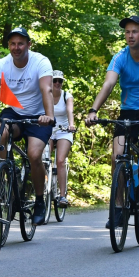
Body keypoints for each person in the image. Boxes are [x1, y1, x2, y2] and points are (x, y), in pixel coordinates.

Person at [85, 15, 139, 206]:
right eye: (127, 32)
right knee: (117, 157)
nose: (130, 35)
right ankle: (118, 205)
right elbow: (108, 84)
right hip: (128, 111)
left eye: (135, 31)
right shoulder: (120, 57)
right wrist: (93, 110)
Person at [0, 27, 54, 226]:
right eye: (12, 44)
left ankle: (40, 201)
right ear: (8, 45)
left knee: (34, 155)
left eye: (20, 43)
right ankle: (5, 172)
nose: (16, 48)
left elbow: (47, 88)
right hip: (15, 112)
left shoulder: (40, 62)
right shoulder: (3, 64)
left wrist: (49, 115)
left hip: (39, 115)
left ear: (28, 45)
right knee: (1, 134)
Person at [49, 70, 76, 207]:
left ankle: (62, 196)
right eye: (55, 80)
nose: (57, 83)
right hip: (48, 129)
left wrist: (71, 124)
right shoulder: (45, 94)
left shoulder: (67, 95)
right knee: (43, 159)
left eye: (60, 81)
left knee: (60, 160)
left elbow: (70, 111)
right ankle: (42, 190)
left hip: (64, 130)